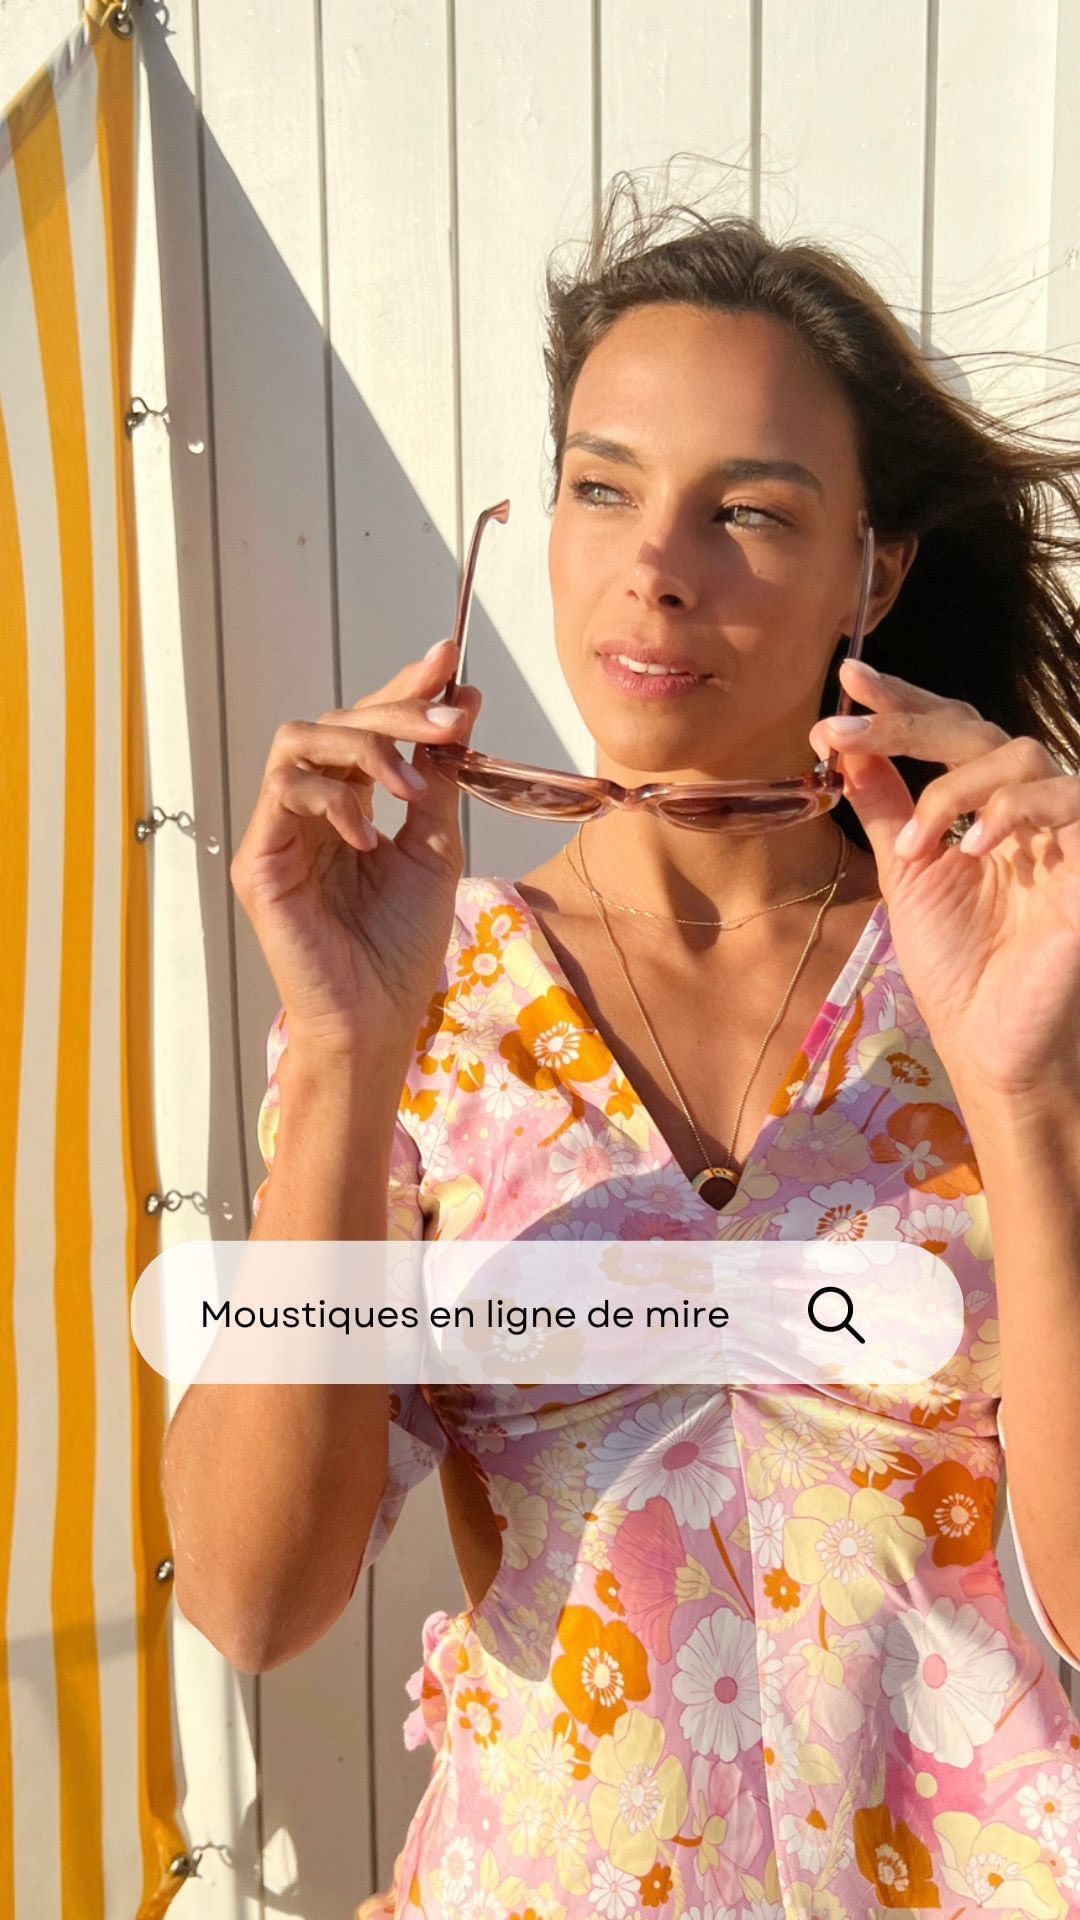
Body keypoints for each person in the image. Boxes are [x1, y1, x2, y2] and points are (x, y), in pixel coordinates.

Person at [163, 179, 1080, 1919]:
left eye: (748, 510)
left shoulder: (1020, 966)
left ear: (874, 571)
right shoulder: (431, 1002)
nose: (655, 566)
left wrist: (1028, 1091)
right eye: (602, 487)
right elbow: (251, 1601)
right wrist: (348, 1047)